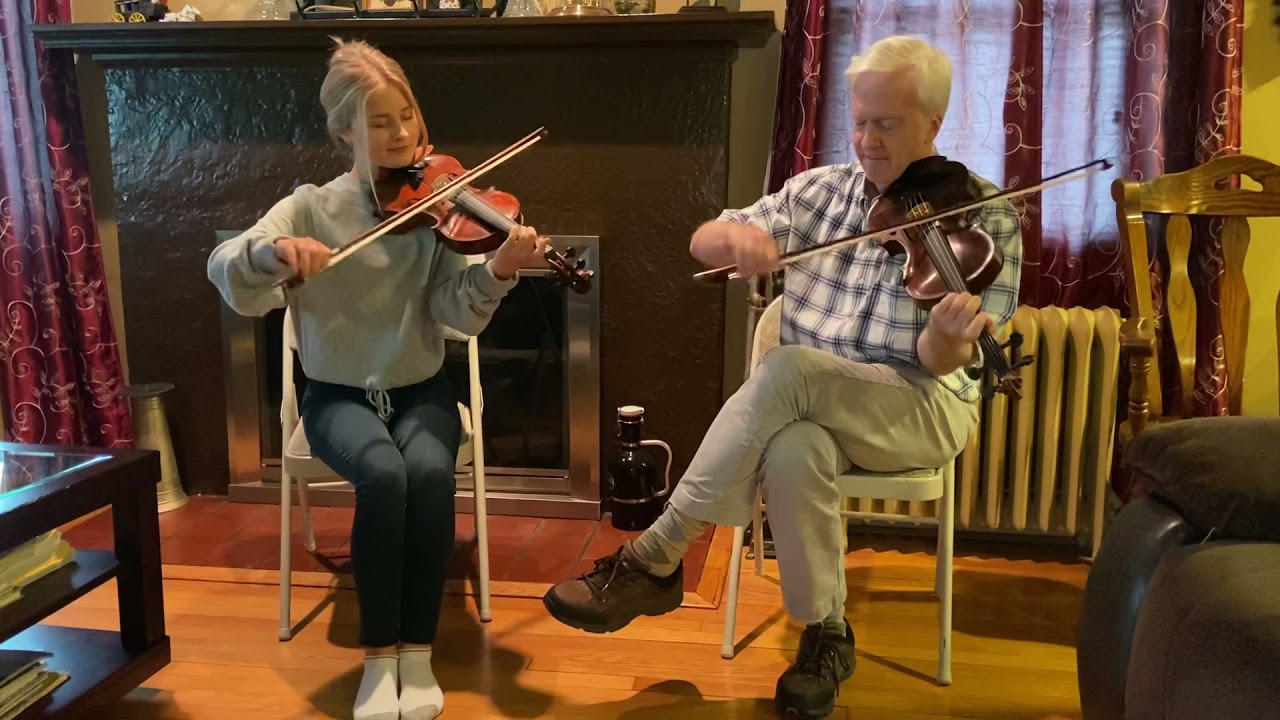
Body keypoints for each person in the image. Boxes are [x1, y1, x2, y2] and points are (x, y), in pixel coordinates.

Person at [542, 34, 1022, 717]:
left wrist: (945, 338)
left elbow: (943, 365)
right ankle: (826, 633)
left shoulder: (986, 215)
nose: (868, 140)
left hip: (918, 407)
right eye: (859, 121)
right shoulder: (822, 192)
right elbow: (706, 236)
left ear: (935, 124)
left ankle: (657, 553)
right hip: (807, 408)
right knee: (795, 447)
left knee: (790, 368)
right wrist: (734, 241)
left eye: (887, 124)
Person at [208, 38, 547, 720]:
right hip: (337, 396)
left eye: (408, 116)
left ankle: (416, 654)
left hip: (422, 388)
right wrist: (276, 255)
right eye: (382, 121)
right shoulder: (307, 208)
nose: (403, 135)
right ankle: (377, 659)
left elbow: (456, 311)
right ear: (344, 132)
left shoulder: (440, 203)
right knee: (384, 474)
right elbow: (225, 268)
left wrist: (501, 271)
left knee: (425, 471)